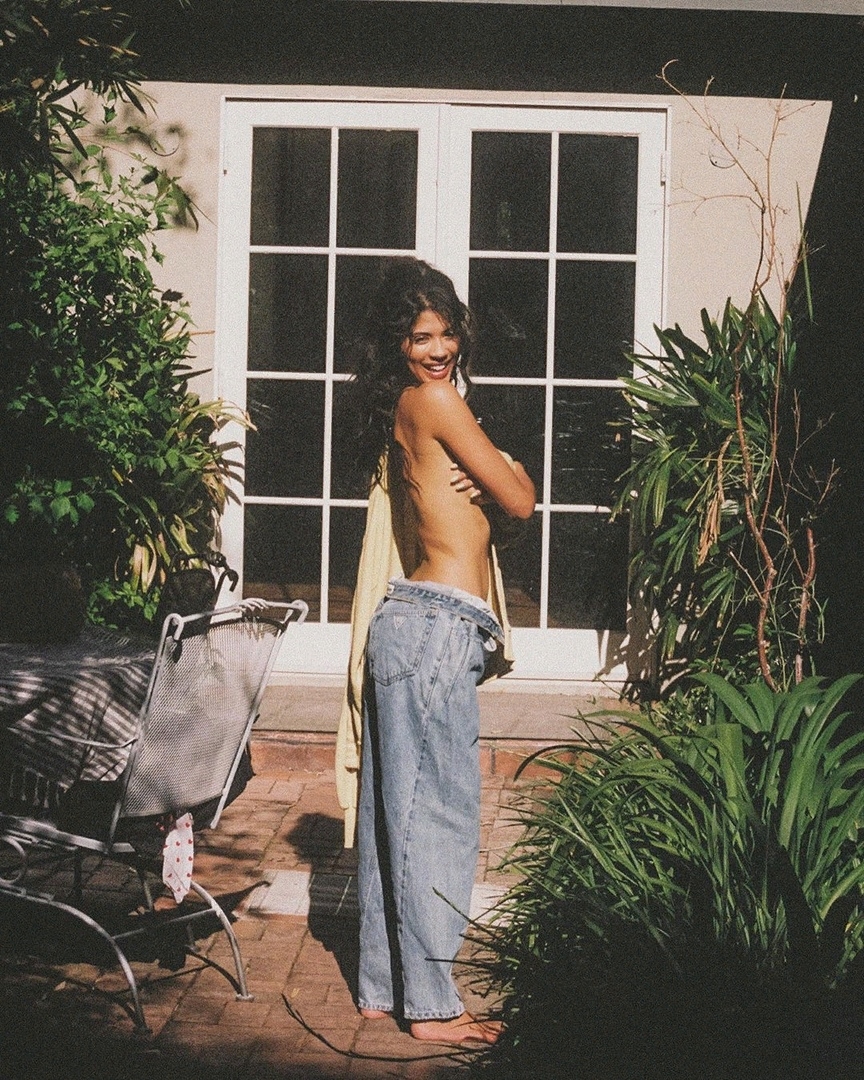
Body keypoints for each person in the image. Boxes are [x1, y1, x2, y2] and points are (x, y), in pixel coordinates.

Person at [347, 258, 535, 1045]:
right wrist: (512, 469)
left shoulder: (404, 405)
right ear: (397, 342)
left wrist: (490, 478)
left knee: (392, 814)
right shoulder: (437, 401)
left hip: (409, 622)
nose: (438, 348)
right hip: (436, 626)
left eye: (447, 332)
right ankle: (431, 1007)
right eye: (420, 336)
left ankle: (381, 986)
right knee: (438, 819)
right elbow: (520, 501)